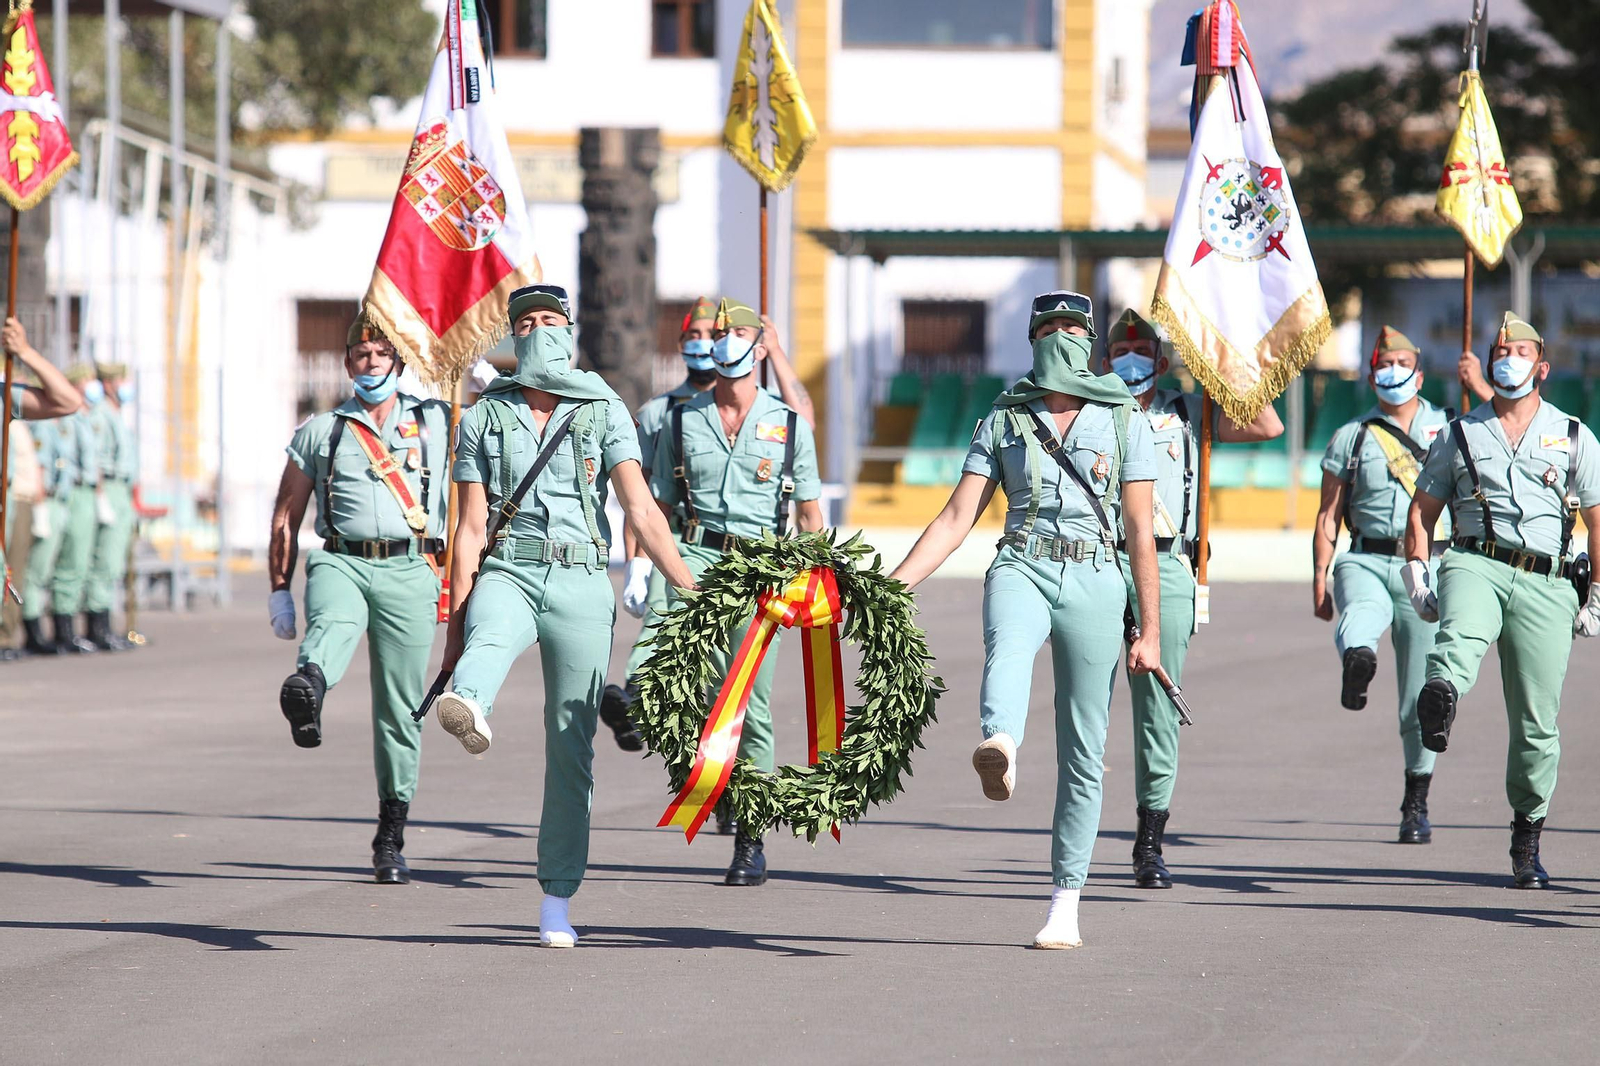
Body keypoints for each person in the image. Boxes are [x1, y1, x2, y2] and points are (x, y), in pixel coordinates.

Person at [890, 290, 1163, 949]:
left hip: (1097, 575)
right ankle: (1000, 744)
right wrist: (890, 586)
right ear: (1034, 338)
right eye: (1050, 327)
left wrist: (1149, 628)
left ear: (1090, 340)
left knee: (1084, 747)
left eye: (1073, 327)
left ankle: (1064, 903)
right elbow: (958, 517)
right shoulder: (1003, 418)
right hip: (1023, 559)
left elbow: (1139, 528)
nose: (1060, 336)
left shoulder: (1124, 419)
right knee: (1006, 646)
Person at [434, 283, 695, 948]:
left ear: (569, 331)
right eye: (527, 322)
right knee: (488, 633)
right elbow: (466, 528)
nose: (539, 330)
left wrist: (689, 588)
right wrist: (451, 640)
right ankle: (467, 698)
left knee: (571, 745)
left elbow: (640, 508)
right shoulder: (486, 415)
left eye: (551, 320)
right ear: (513, 337)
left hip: (582, 578)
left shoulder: (602, 405)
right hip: (511, 567)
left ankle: (557, 899)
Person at [1404, 311, 1600, 888]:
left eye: (1518, 350)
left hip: (1547, 580)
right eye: (1499, 349)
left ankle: (1527, 831)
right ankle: (1440, 695)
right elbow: (1424, 508)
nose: (1505, 357)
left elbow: (1595, 517)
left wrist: (1598, 597)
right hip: (1475, 559)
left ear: (1541, 367)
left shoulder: (1571, 435)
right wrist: (1418, 568)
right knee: (1457, 639)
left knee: (1537, 722)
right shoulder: (1460, 433)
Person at [267, 311, 451, 885]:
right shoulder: (323, 430)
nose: (370, 364)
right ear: (348, 364)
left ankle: (391, 831)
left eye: (380, 355)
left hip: (409, 566)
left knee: (400, 707)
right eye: (360, 356)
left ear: (398, 362)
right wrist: (279, 589)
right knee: (332, 625)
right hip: (343, 557)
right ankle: (310, 688)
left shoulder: (441, 421)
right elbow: (286, 513)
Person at [648, 298, 825, 886]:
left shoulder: (789, 422)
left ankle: (751, 837)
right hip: (694, 559)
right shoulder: (680, 418)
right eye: (717, 333)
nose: (723, 341)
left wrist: (819, 578)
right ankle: (715, 777)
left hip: (760, 569)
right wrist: (646, 566)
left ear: (760, 343)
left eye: (737, 332)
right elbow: (660, 507)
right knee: (688, 687)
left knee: (753, 703)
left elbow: (807, 512)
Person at [1103, 308, 1282, 886]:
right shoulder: (1088, 412)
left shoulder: (1185, 409)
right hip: (1100, 562)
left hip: (1168, 565)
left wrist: (1219, 367)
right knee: (1083, 705)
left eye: (1143, 352)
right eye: (1121, 353)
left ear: (1161, 360)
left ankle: (1149, 840)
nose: (1132, 362)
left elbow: (1265, 426)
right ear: (1106, 361)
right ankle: (1073, 833)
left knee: (1158, 710)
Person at [602, 298, 819, 755]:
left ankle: (742, 804)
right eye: (702, 336)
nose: (714, 344)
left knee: (741, 690)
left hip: (760, 559)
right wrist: (637, 564)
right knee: (667, 613)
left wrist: (810, 577)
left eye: (725, 336)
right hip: (688, 543)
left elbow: (807, 501)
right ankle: (638, 697)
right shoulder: (670, 413)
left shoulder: (783, 421)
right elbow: (644, 498)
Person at [1312, 326, 1491, 845]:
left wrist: (1478, 384)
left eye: (1402, 362)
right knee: (1361, 614)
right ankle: (1358, 663)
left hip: (1427, 563)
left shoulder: (1454, 426)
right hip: (1365, 556)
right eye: (1384, 364)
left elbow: (1502, 429)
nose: (1393, 371)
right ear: (1372, 374)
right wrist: (1318, 578)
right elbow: (1328, 516)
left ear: (1419, 370)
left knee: (1421, 693)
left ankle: (1417, 798)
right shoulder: (1353, 435)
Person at [42, 364, 103, 655]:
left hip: (86, 492)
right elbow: (61, 459)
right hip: (71, 493)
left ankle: (86, 630)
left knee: (82, 565)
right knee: (67, 565)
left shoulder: (89, 415)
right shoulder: (69, 417)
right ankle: (62, 632)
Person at [79, 362, 140, 651]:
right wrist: (101, 497)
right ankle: (97, 628)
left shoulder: (115, 414)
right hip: (109, 489)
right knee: (104, 561)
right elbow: (98, 460)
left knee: (114, 562)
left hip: (122, 489)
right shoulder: (102, 415)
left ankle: (105, 626)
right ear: (108, 384)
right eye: (121, 380)